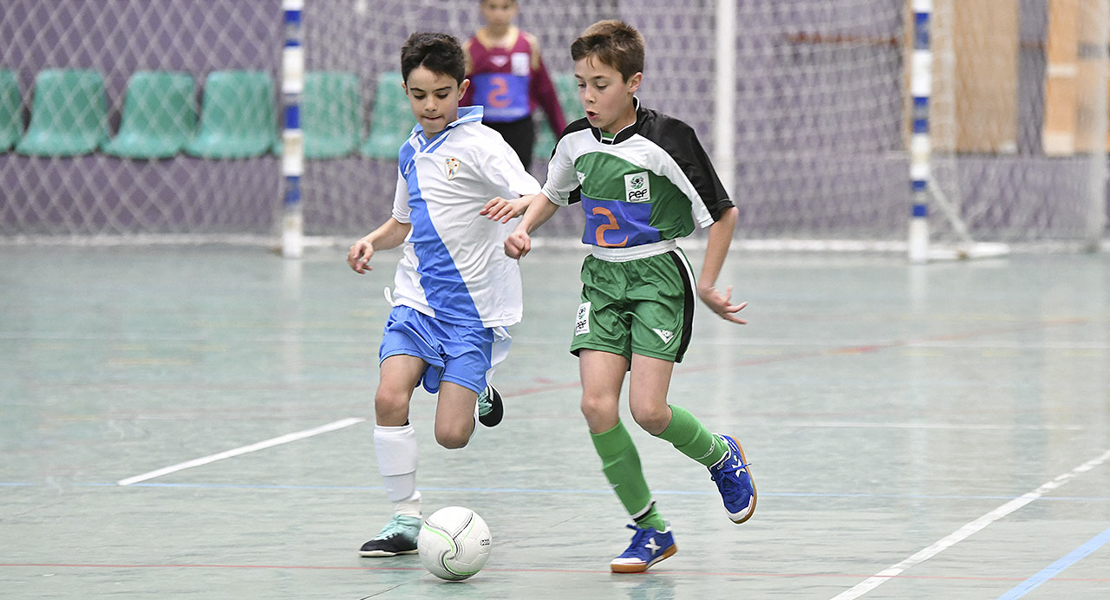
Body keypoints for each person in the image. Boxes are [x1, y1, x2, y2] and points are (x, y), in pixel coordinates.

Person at [497, 20, 756, 574]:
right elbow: (552, 193)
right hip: (601, 278)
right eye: (581, 83)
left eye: (601, 84)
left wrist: (707, 283)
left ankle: (721, 454)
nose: (588, 96)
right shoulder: (572, 141)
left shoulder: (668, 140)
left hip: (658, 276)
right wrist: (526, 228)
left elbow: (724, 212)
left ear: (633, 82)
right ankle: (650, 529)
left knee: (648, 411)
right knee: (594, 405)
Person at [347, 31, 539, 558]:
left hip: (474, 311)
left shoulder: (482, 145)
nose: (430, 105)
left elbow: (534, 191)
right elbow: (402, 223)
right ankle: (404, 518)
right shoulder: (411, 150)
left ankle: (481, 387)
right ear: (405, 92)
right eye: (418, 94)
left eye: (441, 93)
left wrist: (520, 219)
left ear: (462, 90)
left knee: (452, 436)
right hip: (416, 302)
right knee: (389, 397)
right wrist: (371, 239)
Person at [461, 0, 567, 171]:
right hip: (485, 128)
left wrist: (562, 132)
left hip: (520, 128)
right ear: (482, 9)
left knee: (520, 181)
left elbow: (546, 92)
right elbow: (463, 96)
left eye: (505, 7)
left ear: (515, 9)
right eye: (492, 7)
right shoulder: (471, 48)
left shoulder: (527, 45)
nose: (498, 13)